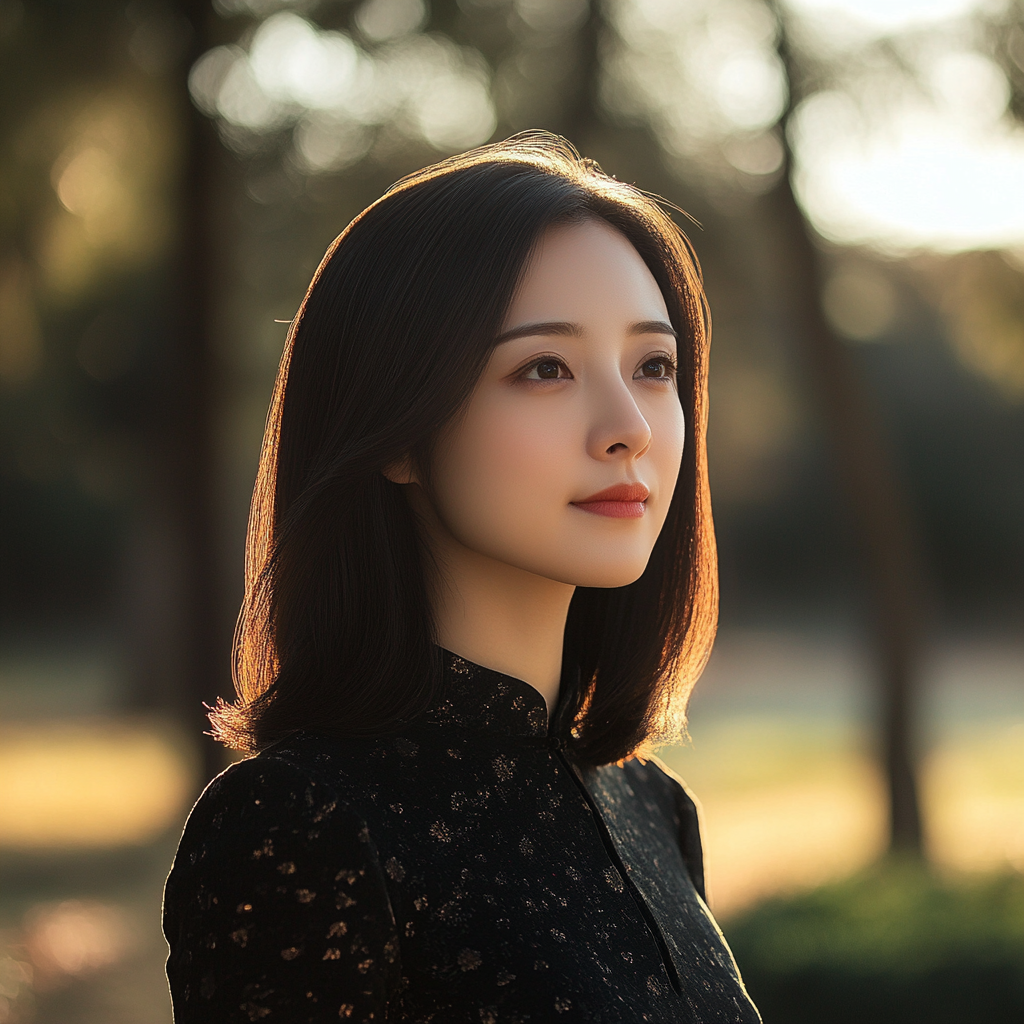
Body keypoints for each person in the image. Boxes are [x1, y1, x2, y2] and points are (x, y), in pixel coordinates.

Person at [162, 132, 761, 1024]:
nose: (629, 426)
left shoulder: (652, 804)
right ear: (398, 428)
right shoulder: (302, 828)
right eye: (544, 368)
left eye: (654, 366)